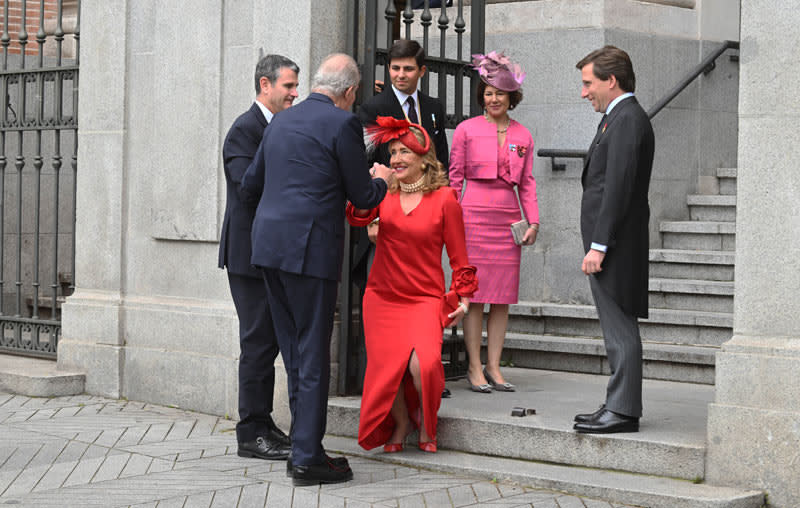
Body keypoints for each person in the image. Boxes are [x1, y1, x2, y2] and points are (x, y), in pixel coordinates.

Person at [240, 53, 392, 485]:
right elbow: (362, 195)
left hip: (269, 249)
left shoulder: (280, 120)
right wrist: (383, 179)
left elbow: (250, 186)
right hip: (310, 252)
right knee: (312, 354)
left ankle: (304, 445)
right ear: (348, 92)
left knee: (293, 351)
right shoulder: (342, 123)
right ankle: (307, 455)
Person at [347, 116, 477, 454]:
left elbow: (460, 257)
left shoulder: (445, 198)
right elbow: (356, 216)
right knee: (386, 369)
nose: (396, 159)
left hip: (423, 298)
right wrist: (373, 187)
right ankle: (402, 423)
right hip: (382, 297)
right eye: (392, 152)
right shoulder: (383, 193)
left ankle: (425, 421)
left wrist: (463, 297)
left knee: (427, 366)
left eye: (404, 151)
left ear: (424, 158)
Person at [355, 38, 452, 398]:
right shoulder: (372, 109)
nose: (400, 75)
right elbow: (365, 165)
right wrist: (375, 214)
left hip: (426, 223)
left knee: (425, 299)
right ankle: (388, 383)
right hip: (389, 217)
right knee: (390, 301)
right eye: (395, 68)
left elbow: (440, 160)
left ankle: (425, 377)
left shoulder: (433, 107)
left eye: (408, 68)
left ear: (421, 71)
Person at [218, 54, 298, 461]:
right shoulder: (244, 131)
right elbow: (247, 188)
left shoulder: (280, 127)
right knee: (256, 343)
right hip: (248, 257)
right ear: (265, 86)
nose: (295, 93)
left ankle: (264, 423)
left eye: (296, 86)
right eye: (288, 86)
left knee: (269, 343)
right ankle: (250, 432)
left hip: (274, 253)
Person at [572, 46, 654, 434]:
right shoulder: (617, 117)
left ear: (611, 80)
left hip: (616, 244)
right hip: (614, 241)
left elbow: (617, 188)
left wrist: (599, 245)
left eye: (589, 83)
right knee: (615, 326)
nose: (584, 92)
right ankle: (618, 401)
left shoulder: (626, 119)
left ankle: (622, 410)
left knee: (620, 326)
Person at [449, 51, 539, 393]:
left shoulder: (524, 134)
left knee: (502, 298)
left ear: (511, 97)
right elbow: (455, 179)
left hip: (508, 219)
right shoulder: (466, 130)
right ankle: (473, 367)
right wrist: (449, 220)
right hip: (472, 217)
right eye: (488, 92)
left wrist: (534, 221)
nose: (493, 98)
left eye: (499, 93)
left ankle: (494, 366)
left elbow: (528, 182)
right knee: (474, 296)